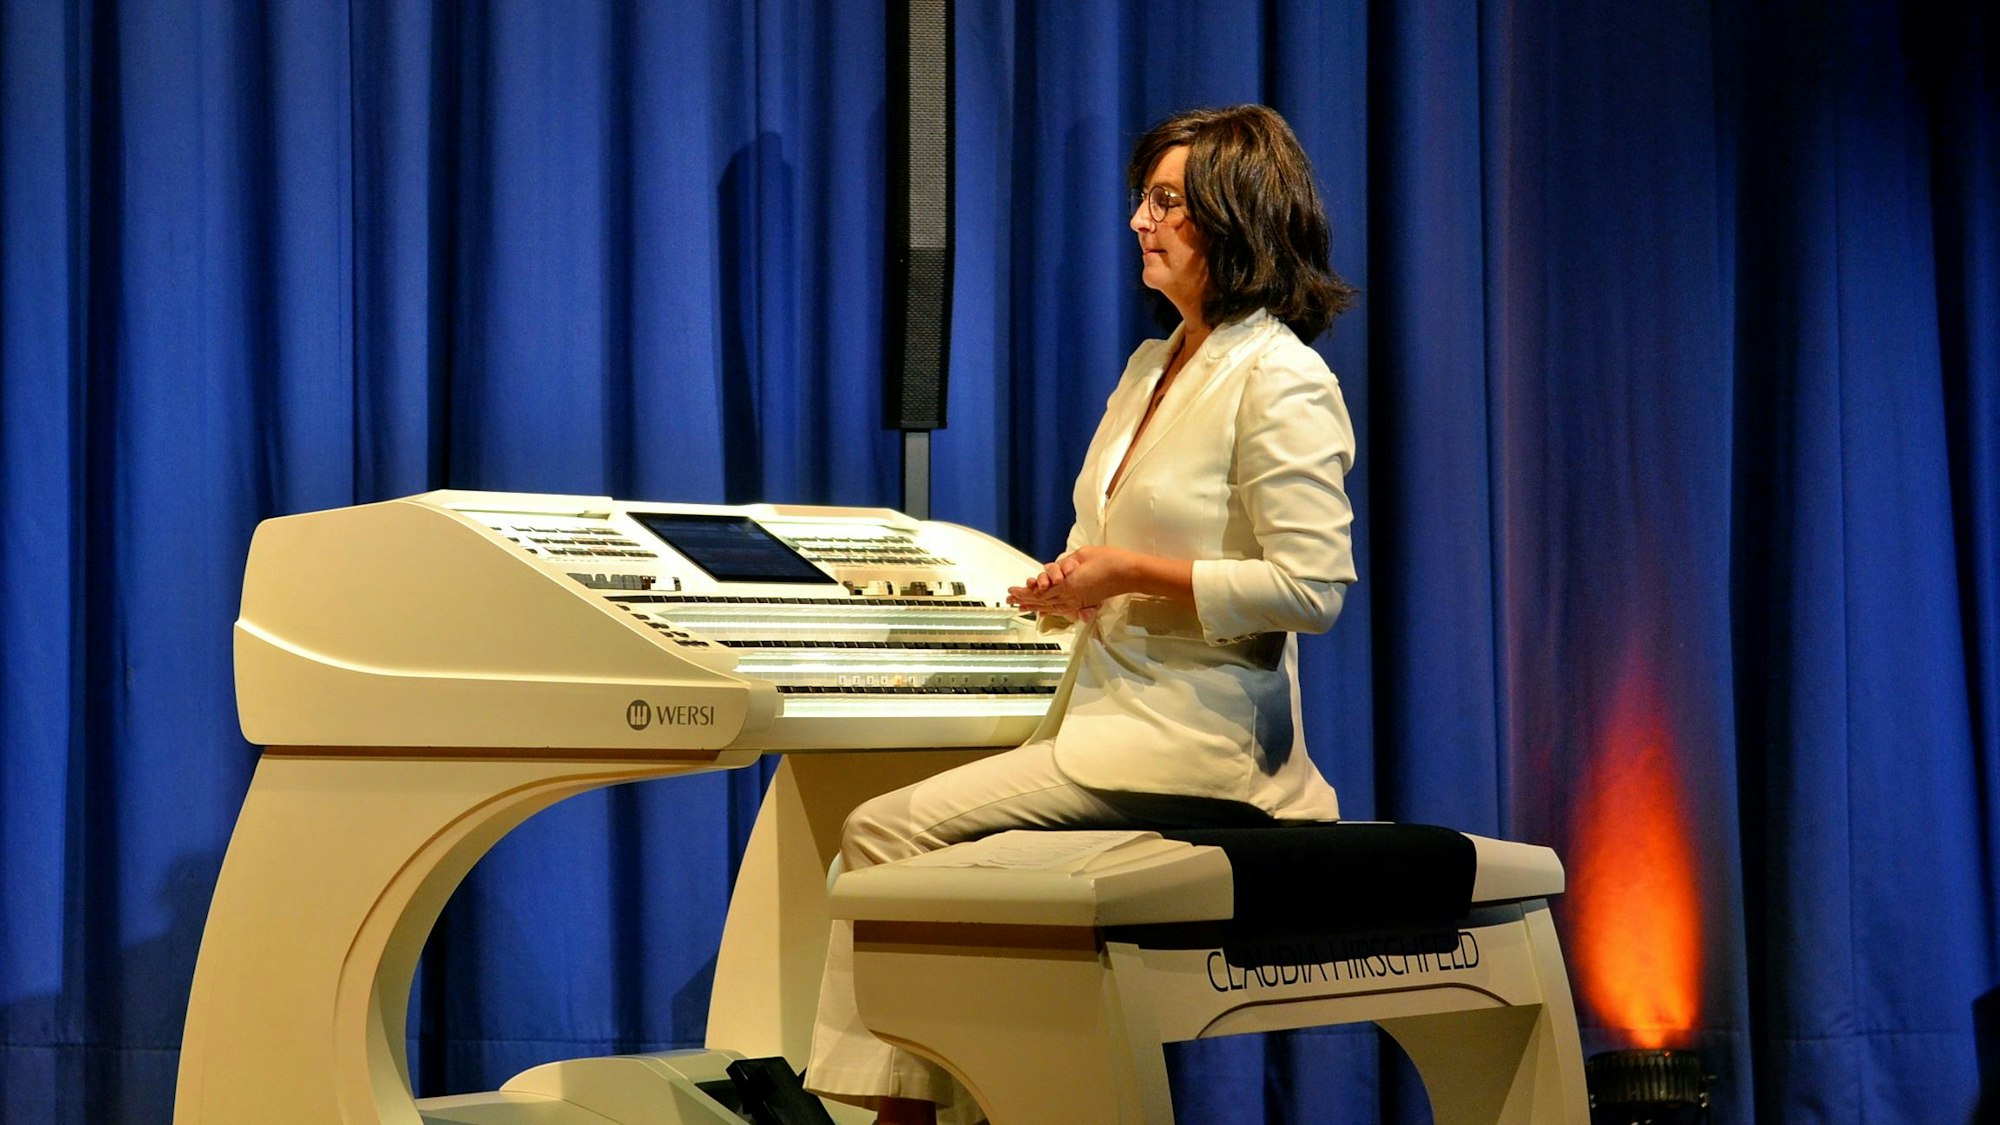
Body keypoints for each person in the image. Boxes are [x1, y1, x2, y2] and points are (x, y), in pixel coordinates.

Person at [804, 104, 1361, 1125]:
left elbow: (1310, 590)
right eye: (1140, 200)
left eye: (1165, 203)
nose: (1138, 222)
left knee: (879, 835)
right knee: (926, 849)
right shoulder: (1151, 366)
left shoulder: (1283, 379)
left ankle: (901, 1117)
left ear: (1233, 219)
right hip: (1105, 714)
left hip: (1197, 748)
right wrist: (1068, 592)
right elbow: (1107, 545)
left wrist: (1129, 575)